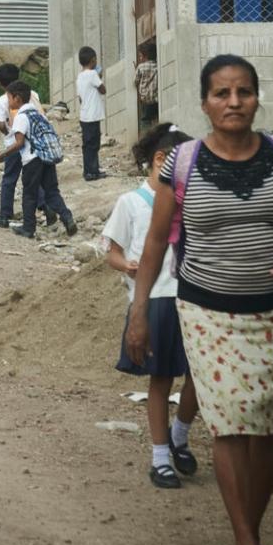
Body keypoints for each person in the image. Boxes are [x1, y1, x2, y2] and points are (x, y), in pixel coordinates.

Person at [126, 54, 273, 545]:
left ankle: (250, 533)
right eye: (221, 94)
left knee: (269, 430)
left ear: (257, 97)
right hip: (207, 313)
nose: (234, 103)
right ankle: (245, 544)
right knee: (231, 422)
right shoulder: (181, 164)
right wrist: (138, 312)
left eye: (244, 92)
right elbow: (153, 245)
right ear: (205, 101)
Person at [107, 121, 201, 490]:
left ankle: (180, 434)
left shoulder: (189, 200)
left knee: (199, 376)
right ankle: (160, 457)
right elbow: (113, 252)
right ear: (160, 160)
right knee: (161, 379)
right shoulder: (130, 203)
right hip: (156, 299)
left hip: (192, 297)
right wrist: (127, 265)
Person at [0, 82, 74, 239]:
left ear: (16, 98)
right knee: (52, 192)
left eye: (9, 97)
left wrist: (2, 156)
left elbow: (19, 143)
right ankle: (67, 217)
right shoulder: (38, 115)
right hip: (47, 158)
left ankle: (28, 227)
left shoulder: (21, 117)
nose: (8, 101)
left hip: (32, 160)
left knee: (29, 194)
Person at [0, 63, 24, 229]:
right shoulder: (32, 94)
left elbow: (1, 125)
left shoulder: (3, 100)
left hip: (12, 145)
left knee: (9, 179)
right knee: (32, 178)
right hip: (30, 145)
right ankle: (45, 206)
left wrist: (7, 132)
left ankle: (5, 215)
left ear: (1, 83)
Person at [76, 46, 107, 181]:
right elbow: (103, 90)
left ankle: (89, 170)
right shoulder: (93, 74)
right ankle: (92, 172)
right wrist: (100, 76)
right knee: (94, 145)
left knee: (87, 145)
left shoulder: (80, 76)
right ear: (93, 60)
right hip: (93, 116)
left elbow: (80, 98)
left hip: (84, 115)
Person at [136, 42, 160, 132]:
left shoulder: (140, 67)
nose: (140, 58)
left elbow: (135, 81)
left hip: (145, 100)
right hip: (156, 100)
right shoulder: (158, 65)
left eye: (140, 56)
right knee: (156, 119)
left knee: (145, 120)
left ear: (145, 56)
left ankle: (147, 139)